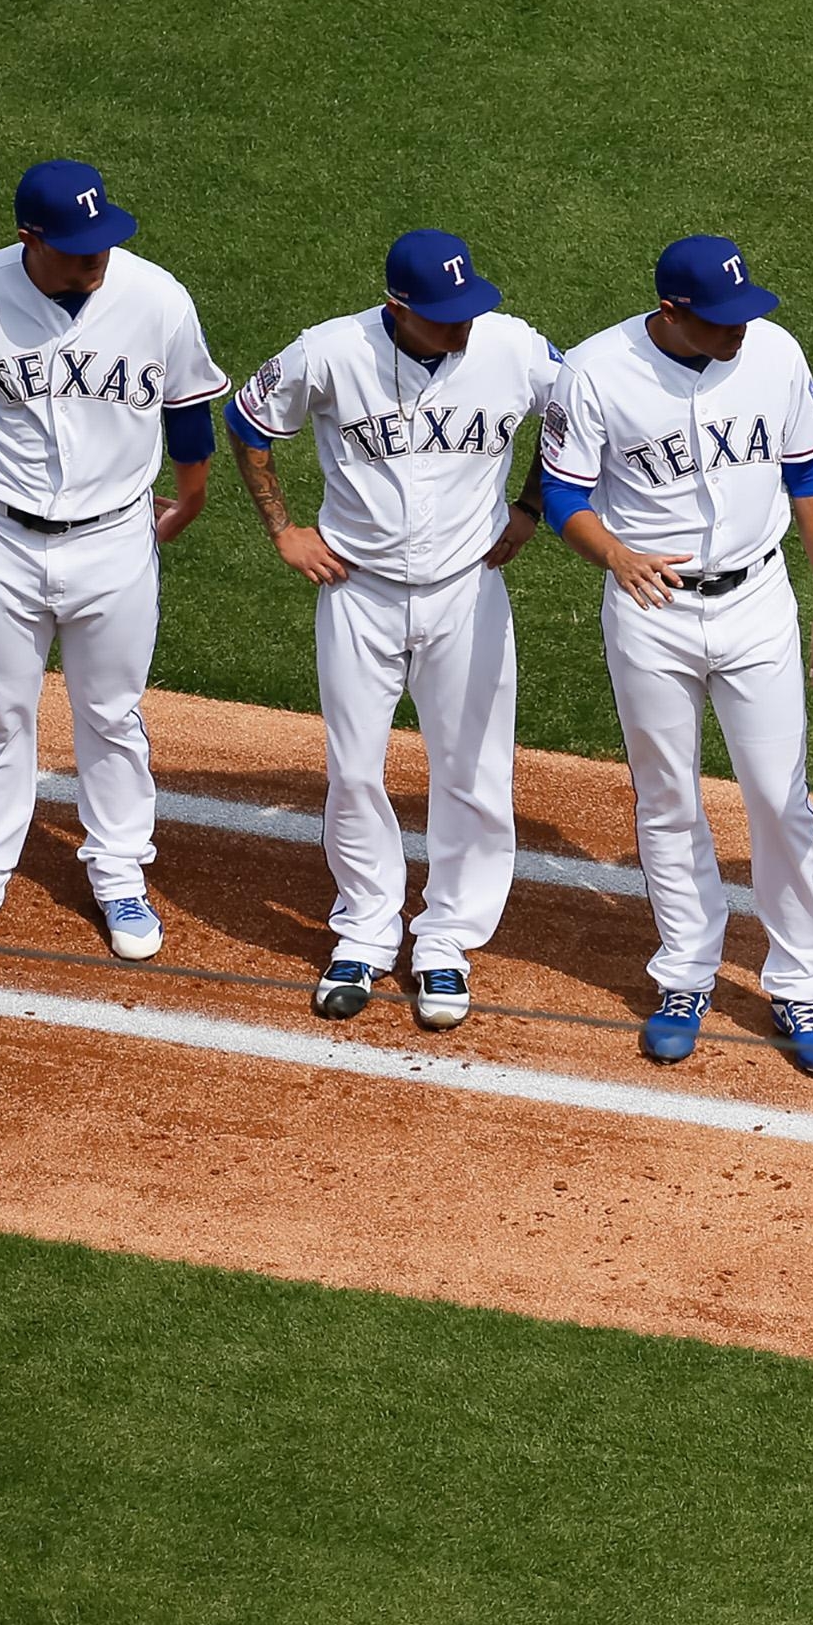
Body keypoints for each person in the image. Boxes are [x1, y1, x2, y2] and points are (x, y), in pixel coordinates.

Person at [539, 235, 813, 1076]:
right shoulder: (598, 370)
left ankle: (799, 986)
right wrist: (614, 555)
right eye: (719, 320)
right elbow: (564, 491)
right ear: (672, 312)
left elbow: (809, 473)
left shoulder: (775, 353)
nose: (739, 330)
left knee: (780, 798)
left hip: (758, 602)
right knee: (667, 793)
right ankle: (685, 974)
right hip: (652, 609)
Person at [0, 159, 228, 963]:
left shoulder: (156, 297)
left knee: (112, 715)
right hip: (1, 538)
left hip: (116, 538)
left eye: (103, 243)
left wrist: (190, 499)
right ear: (29, 239)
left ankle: (119, 872)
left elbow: (190, 416)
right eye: (77, 247)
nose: (96, 260)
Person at [227, 230, 553, 1030]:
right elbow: (248, 419)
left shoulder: (512, 346)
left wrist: (533, 506)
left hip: (468, 592)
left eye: (467, 309)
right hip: (358, 591)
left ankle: (446, 940)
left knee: (473, 769)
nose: (462, 327)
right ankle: (365, 932)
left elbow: (583, 414)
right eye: (443, 317)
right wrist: (283, 530)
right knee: (355, 769)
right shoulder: (330, 351)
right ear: (396, 307)